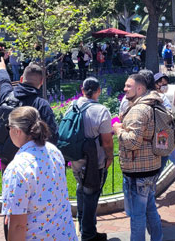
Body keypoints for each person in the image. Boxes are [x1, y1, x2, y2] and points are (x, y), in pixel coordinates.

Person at [1, 106, 77, 241]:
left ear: (17, 131)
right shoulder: (53, 151)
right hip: (65, 234)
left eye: (9, 127)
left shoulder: (17, 169)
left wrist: (15, 213)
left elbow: (18, 226)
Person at [112, 73, 164, 241]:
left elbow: (132, 143)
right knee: (150, 208)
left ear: (140, 88)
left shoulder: (138, 110)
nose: (125, 89)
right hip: (153, 166)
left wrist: (118, 129)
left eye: (129, 86)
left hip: (138, 172)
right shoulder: (155, 104)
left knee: (137, 216)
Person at [70, 78, 113, 241]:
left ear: (82, 90)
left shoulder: (72, 106)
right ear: (99, 91)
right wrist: (109, 157)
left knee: (82, 190)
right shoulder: (101, 110)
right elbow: (107, 141)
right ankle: (88, 235)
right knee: (91, 196)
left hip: (76, 159)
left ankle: (83, 226)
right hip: (94, 163)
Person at [0, 60, 58, 170]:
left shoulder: (7, 96)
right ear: (42, 81)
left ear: (21, 79)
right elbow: (53, 135)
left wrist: (2, 68)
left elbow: (4, 82)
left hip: (8, 158)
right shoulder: (41, 105)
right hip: (33, 162)